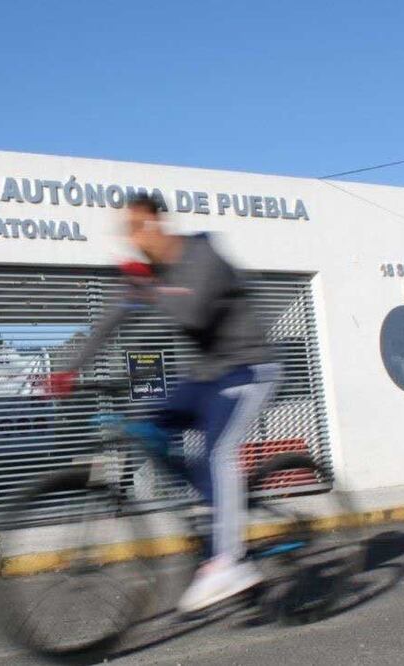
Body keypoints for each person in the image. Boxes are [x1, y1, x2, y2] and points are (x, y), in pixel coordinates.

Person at [48, 192, 281, 614]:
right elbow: (111, 321)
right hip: (206, 375)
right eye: (127, 230)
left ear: (158, 224)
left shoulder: (203, 256)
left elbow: (191, 314)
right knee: (147, 428)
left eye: (137, 227)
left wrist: (150, 286)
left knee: (218, 452)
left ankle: (227, 563)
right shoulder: (153, 274)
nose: (132, 237)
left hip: (249, 368)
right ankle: (210, 500)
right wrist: (69, 369)